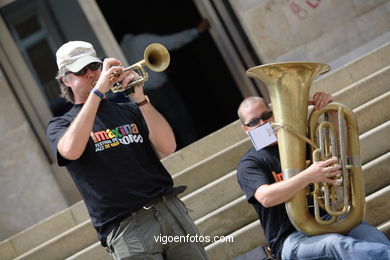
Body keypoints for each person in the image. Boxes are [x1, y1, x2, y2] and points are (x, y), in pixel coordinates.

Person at [47, 41, 208, 260]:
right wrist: (97, 92)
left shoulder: (129, 110)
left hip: (168, 209)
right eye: (81, 70)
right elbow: (70, 151)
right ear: (65, 79)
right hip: (126, 228)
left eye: (94, 66)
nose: (91, 73)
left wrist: (140, 99)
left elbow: (168, 147)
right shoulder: (61, 125)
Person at [236, 93, 390, 260]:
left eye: (266, 116)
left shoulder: (300, 141)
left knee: (375, 240)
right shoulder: (249, 163)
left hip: (328, 219)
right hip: (290, 238)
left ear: (274, 114)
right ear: (246, 129)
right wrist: (307, 176)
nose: (263, 123)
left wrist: (330, 110)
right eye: (253, 122)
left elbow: (339, 154)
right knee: (335, 244)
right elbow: (266, 198)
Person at [117, 19, 210, 149]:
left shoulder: (118, 50)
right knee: (185, 128)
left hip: (144, 96)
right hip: (161, 91)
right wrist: (196, 31)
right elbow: (172, 41)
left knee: (162, 136)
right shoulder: (141, 40)